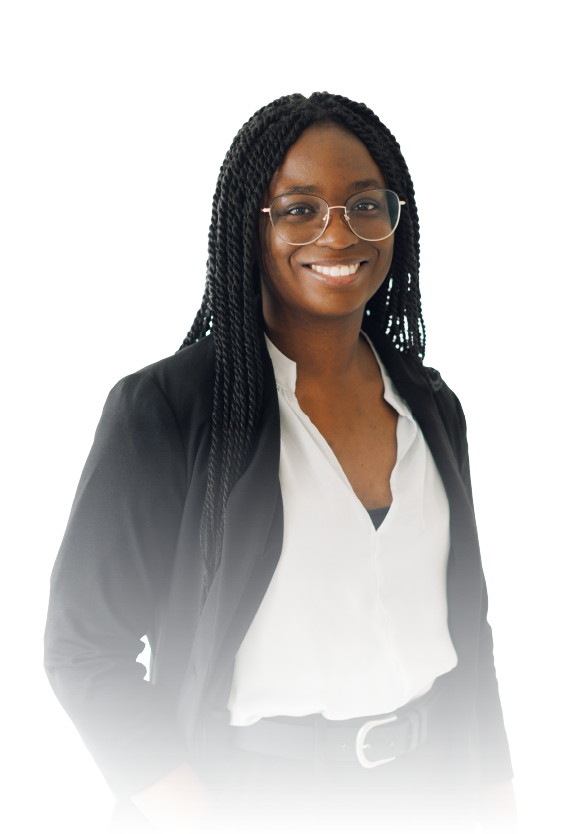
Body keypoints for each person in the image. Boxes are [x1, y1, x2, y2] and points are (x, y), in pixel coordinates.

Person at [44, 91, 516, 833]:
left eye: (365, 205)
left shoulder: (430, 403)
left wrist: (499, 806)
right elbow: (83, 652)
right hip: (257, 795)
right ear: (249, 227)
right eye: (298, 209)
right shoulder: (168, 408)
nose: (338, 233)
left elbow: (469, 631)